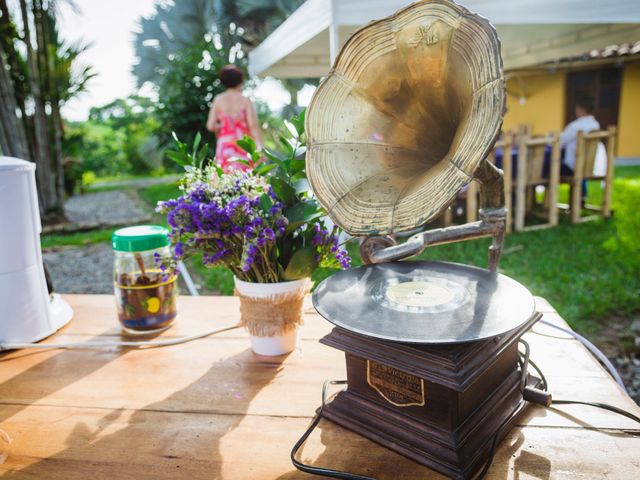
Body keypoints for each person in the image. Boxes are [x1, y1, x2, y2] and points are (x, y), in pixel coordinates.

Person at [206, 65, 263, 172]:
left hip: (224, 146)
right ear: (240, 81)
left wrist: (224, 125)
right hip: (242, 144)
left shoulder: (218, 99)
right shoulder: (245, 100)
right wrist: (260, 147)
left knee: (225, 182)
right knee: (244, 183)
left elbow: (210, 126)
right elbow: (253, 125)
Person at [559, 96, 600, 175]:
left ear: (582, 109)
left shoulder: (575, 126)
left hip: (571, 167)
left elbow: (559, 141)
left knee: (545, 166)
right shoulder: (595, 125)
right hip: (588, 166)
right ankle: (580, 187)